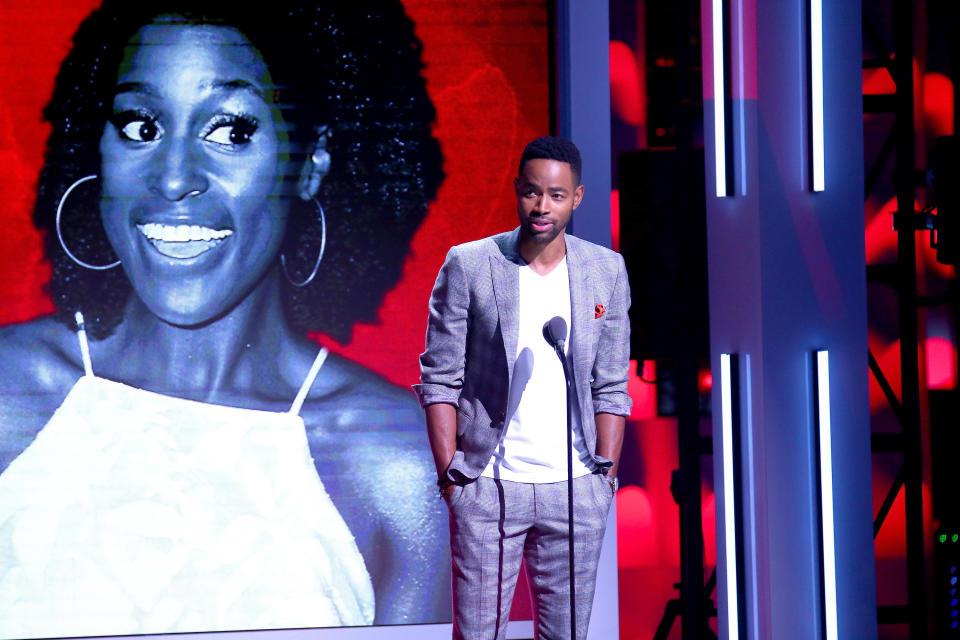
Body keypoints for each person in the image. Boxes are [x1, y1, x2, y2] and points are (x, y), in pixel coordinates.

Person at [0, 1, 448, 636]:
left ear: (310, 164)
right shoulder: (8, 393)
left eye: (231, 131)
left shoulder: (396, 457)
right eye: (139, 125)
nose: (175, 177)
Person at [415, 136, 631, 640]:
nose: (542, 206)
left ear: (577, 198)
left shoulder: (606, 270)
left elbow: (612, 384)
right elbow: (440, 377)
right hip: (489, 487)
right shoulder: (470, 264)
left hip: (577, 490)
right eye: (533, 192)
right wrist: (454, 478)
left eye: (557, 195)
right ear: (518, 190)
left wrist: (605, 477)